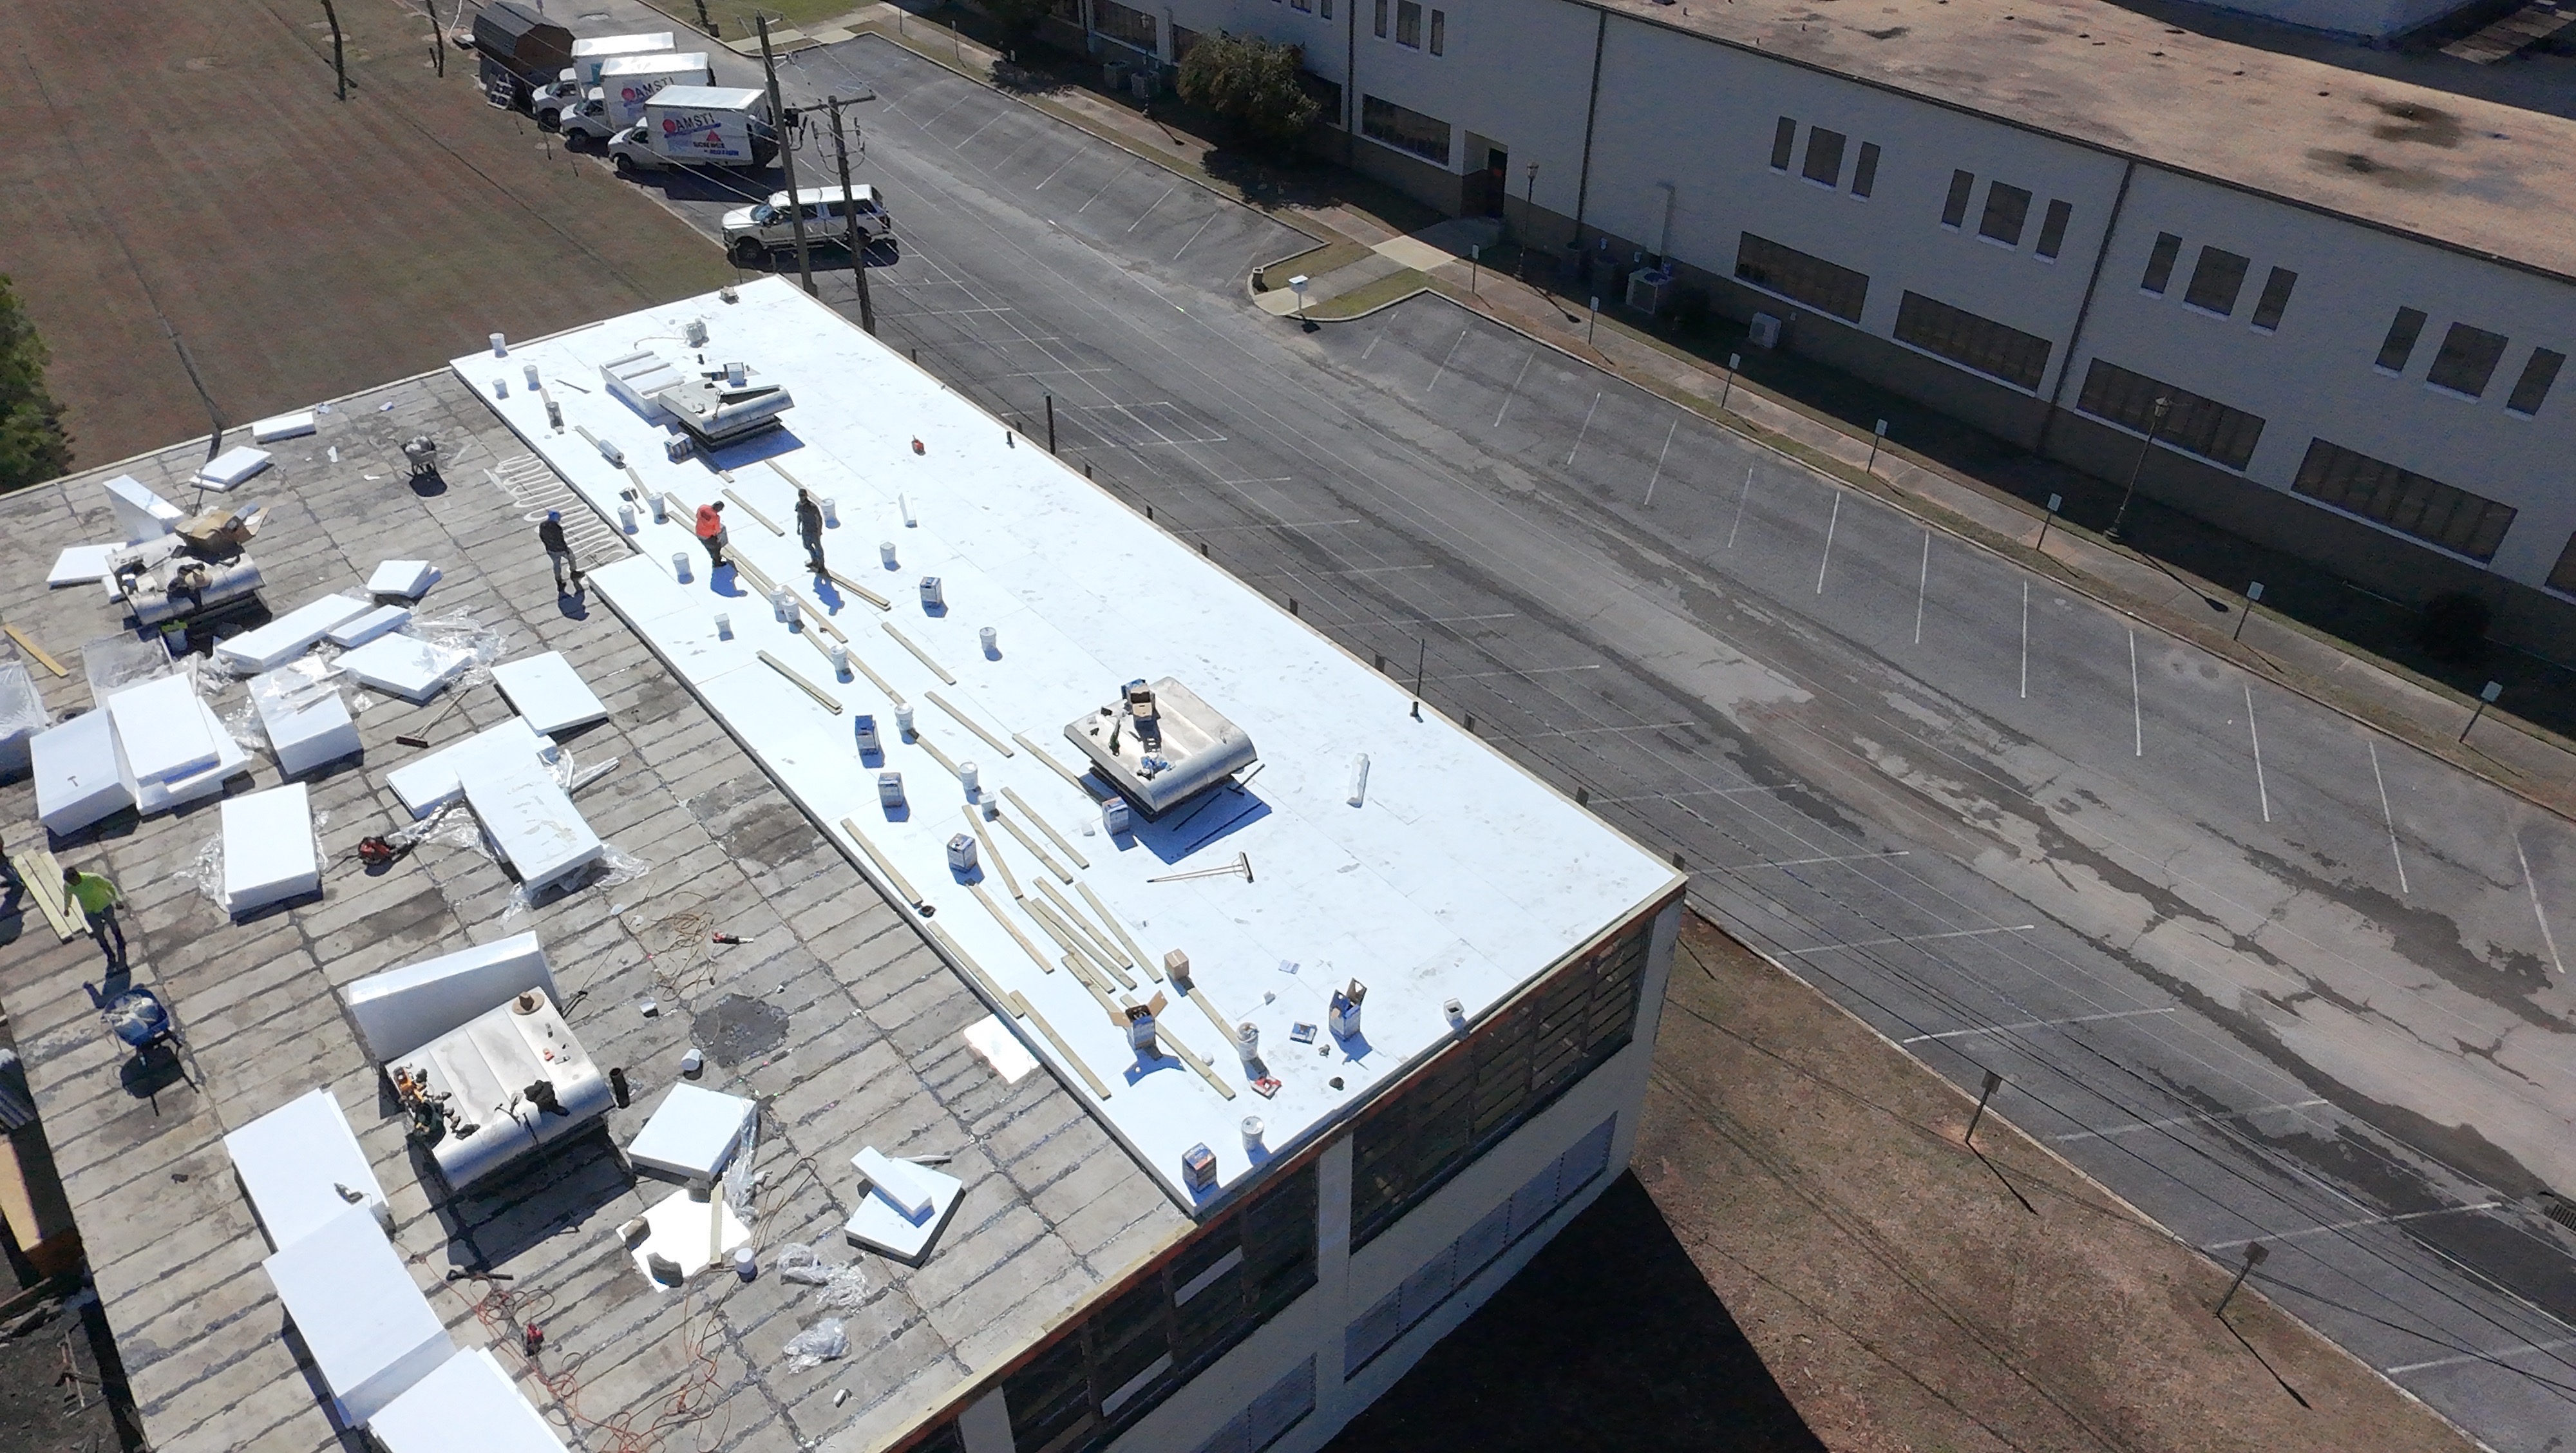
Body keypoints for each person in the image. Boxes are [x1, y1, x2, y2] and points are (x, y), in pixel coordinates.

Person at [64, 865, 125, 967]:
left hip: (105, 906)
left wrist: (118, 899)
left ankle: (120, 941)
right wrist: (67, 908)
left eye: (72, 882)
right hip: (90, 912)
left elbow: (109, 885)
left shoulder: (92, 878)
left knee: (113, 924)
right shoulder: (68, 886)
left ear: (77, 877)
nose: (71, 884)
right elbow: (68, 896)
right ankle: (109, 954)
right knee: (98, 934)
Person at [537, 509, 580, 594]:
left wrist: (547, 545)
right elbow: (560, 540)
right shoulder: (557, 528)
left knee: (557, 565)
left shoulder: (543, 525)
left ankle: (559, 581)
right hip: (560, 549)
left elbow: (542, 537)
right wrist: (566, 550)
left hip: (550, 550)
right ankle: (573, 572)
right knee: (571, 557)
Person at [793, 488, 826, 577]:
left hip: (814, 530)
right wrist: (798, 527)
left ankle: (821, 565)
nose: (801, 497)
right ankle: (814, 560)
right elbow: (799, 516)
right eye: (800, 496)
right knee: (807, 546)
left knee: (818, 548)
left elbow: (819, 519)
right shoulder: (798, 505)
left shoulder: (812, 507)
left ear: (806, 496)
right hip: (805, 530)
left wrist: (819, 531)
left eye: (803, 496)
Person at [694, 500, 728, 570]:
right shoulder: (715, 517)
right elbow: (718, 530)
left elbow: (697, 516)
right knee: (716, 548)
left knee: (708, 547)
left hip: (699, 532)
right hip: (708, 536)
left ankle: (713, 554)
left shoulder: (702, 508)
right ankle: (717, 563)